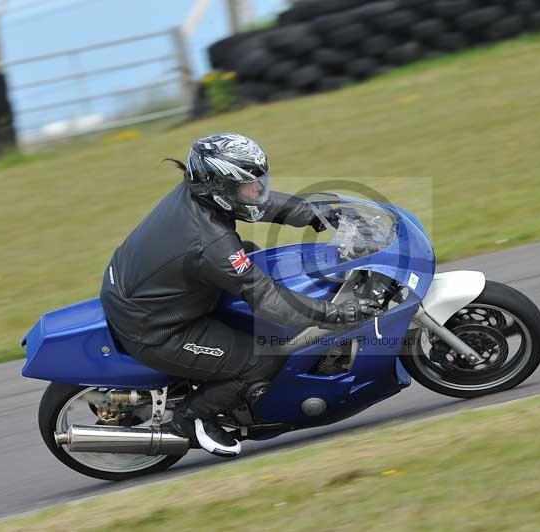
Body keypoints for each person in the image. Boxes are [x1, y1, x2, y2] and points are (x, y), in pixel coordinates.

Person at [99, 133, 382, 457]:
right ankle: (191, 419)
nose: (257, 190)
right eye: (249, 185)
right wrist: (333, 313)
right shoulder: (211, 242)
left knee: (254, 259)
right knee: (264, 355)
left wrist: (321, 214)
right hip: (156, 328)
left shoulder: (200, 196)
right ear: (220, 189)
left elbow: (260, 204)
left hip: (151, 292)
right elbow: (266, 299)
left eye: (258, 181)